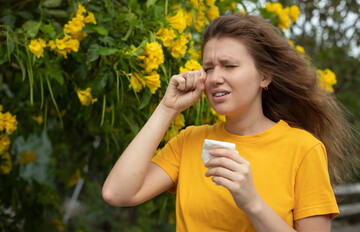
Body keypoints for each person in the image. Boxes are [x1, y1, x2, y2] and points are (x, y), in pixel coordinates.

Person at [102, 13, 358, 231]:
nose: (215, 78)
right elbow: (117, 193)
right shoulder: (189, 141)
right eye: (209, 67)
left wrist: (251, 201)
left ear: (264, 76)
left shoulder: (303, 149)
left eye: (229, 66)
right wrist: (167, 108)